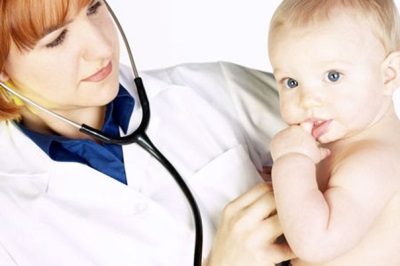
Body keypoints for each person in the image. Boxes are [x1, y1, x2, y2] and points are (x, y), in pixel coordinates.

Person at [0, 0, 294, 265]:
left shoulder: (210, 90)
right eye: (57, 39)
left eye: (94, 8)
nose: (102, 47)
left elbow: (337, 113)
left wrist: (309, 175)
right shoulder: (8, 227)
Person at [268, 0, 400, 265]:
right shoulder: (350, 140)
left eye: (333, 76)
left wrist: (291, 162)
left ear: (388, 75)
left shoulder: (373, 160)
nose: (308, 100)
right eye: (291, 82)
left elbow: (316, 243)